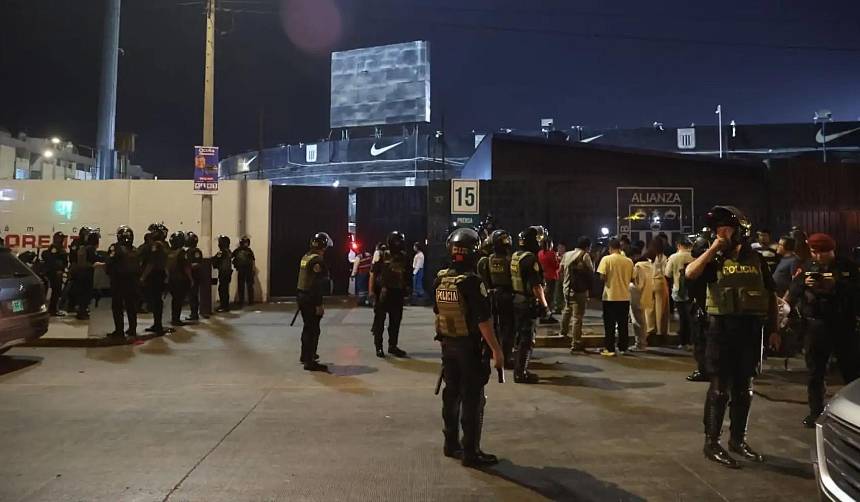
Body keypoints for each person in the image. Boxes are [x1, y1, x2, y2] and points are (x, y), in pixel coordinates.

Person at [685, 206, 779, 468]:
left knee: (745, 389)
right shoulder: (711, 258)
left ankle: (738, 440)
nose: (721, 232)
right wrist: (713, 248)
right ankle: (711, 443)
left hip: (751, 329)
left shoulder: (756, 260)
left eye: (726, 228)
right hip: (720, 329)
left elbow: (770, 295)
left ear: (740, 231)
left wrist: (774, 330)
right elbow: (690, 274)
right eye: (717, 229)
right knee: (719, 389)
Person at [433, 227, 505, 468]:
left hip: (448, 345)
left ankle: (450, 443)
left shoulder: (441, 278)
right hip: (470, 349)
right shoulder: (473, 282)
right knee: (472, 398)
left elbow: (438, 313)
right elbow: (483, 321)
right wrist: (497, 349)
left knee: (451, 394)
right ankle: (471, 452)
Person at [788, 233, 860, 428]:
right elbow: (793, 290)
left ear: (832, 250)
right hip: (815, 325)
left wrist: (836, 285)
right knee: (815, 372)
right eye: (814, 252)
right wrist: (805, 283)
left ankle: (855, 411)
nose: (819, 257)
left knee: (851, 371)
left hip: (842, 325)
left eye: (823, 252)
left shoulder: (847, 267)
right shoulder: (807, 267)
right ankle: (816, 412)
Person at [510, 226, 550, 383]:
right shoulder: (531, 259)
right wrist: (545, 306)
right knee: (527, 339)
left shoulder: (516, 256)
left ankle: (518, 368)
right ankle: (521, 373)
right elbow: (536, 286)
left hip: (516, 300)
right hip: (527, 303)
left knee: (519, 337)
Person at [369, 231, 411, 358]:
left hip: (397, 293)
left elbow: (406, 274)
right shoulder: (382, 254)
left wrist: (407, 289)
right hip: (382, 292)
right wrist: (371, 291)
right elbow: (373, 273)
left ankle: (392, 346)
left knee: (395, 321)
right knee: (379, 321)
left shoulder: (403, 256)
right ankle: (379, 347)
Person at [297, 232, 333, 372]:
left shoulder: (306, 256)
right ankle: (309, 360)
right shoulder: (317, 260)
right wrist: (318, 304)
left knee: (307, 327)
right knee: (313, 329)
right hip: (310, 298)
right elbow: (317, 284)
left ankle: (305, 355)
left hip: (302, 295)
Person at [484, 230, 516, 368]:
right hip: (507, 295)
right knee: (508, 328)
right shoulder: (510, 260)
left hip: (492, 295)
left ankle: (492, 352)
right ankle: (506, 356)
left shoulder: (487, 260)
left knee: (494, 326)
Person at [597, 238, 634, 356]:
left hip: (610, 296)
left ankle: (610, 348)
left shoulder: (606, 259)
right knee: (623, 323)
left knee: (609, 324)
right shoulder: (628, 261)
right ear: (620, 248)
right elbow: (632, 278)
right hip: (624, 296)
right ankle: (623, 347)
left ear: (610, 248)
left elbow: (602, 277)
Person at [560, 236, 594, 353]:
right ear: (587, 246)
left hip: (566, 288)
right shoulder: (585, 255)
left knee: (567, 309)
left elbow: (560, 270)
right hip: (579, 290)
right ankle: (576, 343)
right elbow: (591, 271)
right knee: (577, 317)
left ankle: (563, 332)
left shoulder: (567, 254)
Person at [686, 230, 711, 382]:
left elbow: (690, 288)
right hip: (712, 309)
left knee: (701, 342)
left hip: (702, 309)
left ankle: (704, 370)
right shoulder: (716, 265)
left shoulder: (696, 268)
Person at [106, 226, 140, 338]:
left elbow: (109, 263)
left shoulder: (115, 248)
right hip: (133, 283)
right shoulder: (135, 250)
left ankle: (119, 331)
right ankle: (132, 329)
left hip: (118, 282)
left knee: (117, 307)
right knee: (131, 307)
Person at [666, 238, 695, 349]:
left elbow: (667, 274)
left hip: (679, 290)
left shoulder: (674, 257)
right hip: (693, 290)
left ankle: (684, 342)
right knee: (692, 316)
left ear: (678, 245)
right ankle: (693, 340)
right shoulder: (694, 256)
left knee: (683, 317)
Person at [140, 224, 169, 334]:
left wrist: (143, 277)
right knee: (157, 301)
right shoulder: (165, 245)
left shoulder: (156, 245)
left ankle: (158, 325)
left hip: (156, 275)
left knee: (155, 300)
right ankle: (158, 324)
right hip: (161, 275)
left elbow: (152, 263)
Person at [629, 242, 653, 351]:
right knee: (643, 319)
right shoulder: (649, 264)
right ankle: (642, 342)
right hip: (646, 294)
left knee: (637, 320)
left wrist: (629, 283)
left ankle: (640, 343)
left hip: (637, 295)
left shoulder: (638, 266)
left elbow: (638, 283)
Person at [645, 237, 670, 338]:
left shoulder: (648, 256)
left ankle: (650, 328)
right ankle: (661, 331)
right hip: (660, 281)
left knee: (649, 307)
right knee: (661, 308)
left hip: (649, 281)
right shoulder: (664, 257)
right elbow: (666, 272)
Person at [73, 229, 101, 320]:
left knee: (84, 293)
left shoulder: (86, 248)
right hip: (86, 274)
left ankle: (82, 311)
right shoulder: (89, 249)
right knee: (85, 293)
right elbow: (88, 261)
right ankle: (82, 312)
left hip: (84, 274)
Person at [167, 231, 192, 327]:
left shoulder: (170, 252)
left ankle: (174, 318)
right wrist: (191, 279)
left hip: (171, 279)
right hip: (180, 279)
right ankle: (176, 319)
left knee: (175, 300)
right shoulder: (181, 252)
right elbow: (186, 267)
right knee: (178, 300)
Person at [65, 226, 92, 314]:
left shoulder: (88, 244)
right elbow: (73, 255)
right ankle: (71, 305)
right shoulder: (77, 242)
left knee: (81, 289)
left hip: (83, 269)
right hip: (76, 267)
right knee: (74, 287)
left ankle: (80, 306)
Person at [41, 231, 68, 316]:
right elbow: (52, 261)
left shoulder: (59, 248)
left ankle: (53, 309)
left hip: (56, 272)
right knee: (56, 292)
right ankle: (53, 310)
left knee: (56, 292)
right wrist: (58, 269)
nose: (63, 240)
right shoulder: (55, 248)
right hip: (55, 273)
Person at [537, 239, 560, 323]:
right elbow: (556, 265)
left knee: (544, 296)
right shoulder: (552, 253)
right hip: (551, 277)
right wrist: (558, 259)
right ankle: (547, 316)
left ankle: (543, 314)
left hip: (543, 276)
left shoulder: (539, 253)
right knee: (550, 297)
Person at [184, 231, 204, 322]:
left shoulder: (196, 251)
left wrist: (189, 266)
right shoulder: (188, 251)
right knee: (191, 295)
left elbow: (198, 263)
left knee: (193, 295)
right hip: (190, 275)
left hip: (194, 276)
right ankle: (193, 313)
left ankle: (194, 314)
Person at [232, 236, 256, 307]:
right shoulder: (238, 250)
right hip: (242, 270)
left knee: (249, 286)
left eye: (247, 242)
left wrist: (253, 269)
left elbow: (253, 260)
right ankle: (242, 301)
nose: (246, 244)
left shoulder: (248, 250)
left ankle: (250, 301)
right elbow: (231, 256)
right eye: (245, 242)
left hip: (247, 270)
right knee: (241, 286)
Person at [212, 235, 232, 313]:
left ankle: (224, 306)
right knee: (225, 289)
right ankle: (225, 305)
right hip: (227, 272)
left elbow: (215, 260)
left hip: (224, 272)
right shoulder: (228, 251)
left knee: (222, 289)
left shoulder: (222, 252)